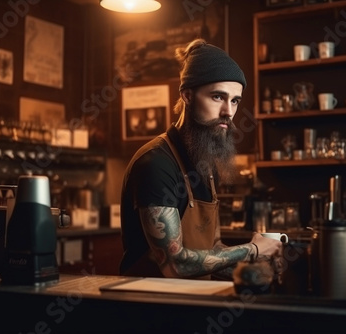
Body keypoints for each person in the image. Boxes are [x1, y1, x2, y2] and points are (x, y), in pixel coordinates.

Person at [119, 39, 282, 280]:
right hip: (149, 304)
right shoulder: (155, 164)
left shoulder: (203, 162)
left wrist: (255, 268)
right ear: (187, 95)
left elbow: (212, 251)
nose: (228, 111)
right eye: (218, 97)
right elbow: (174, 265)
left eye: (235, 100)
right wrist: (253, 249)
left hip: (191, 302)